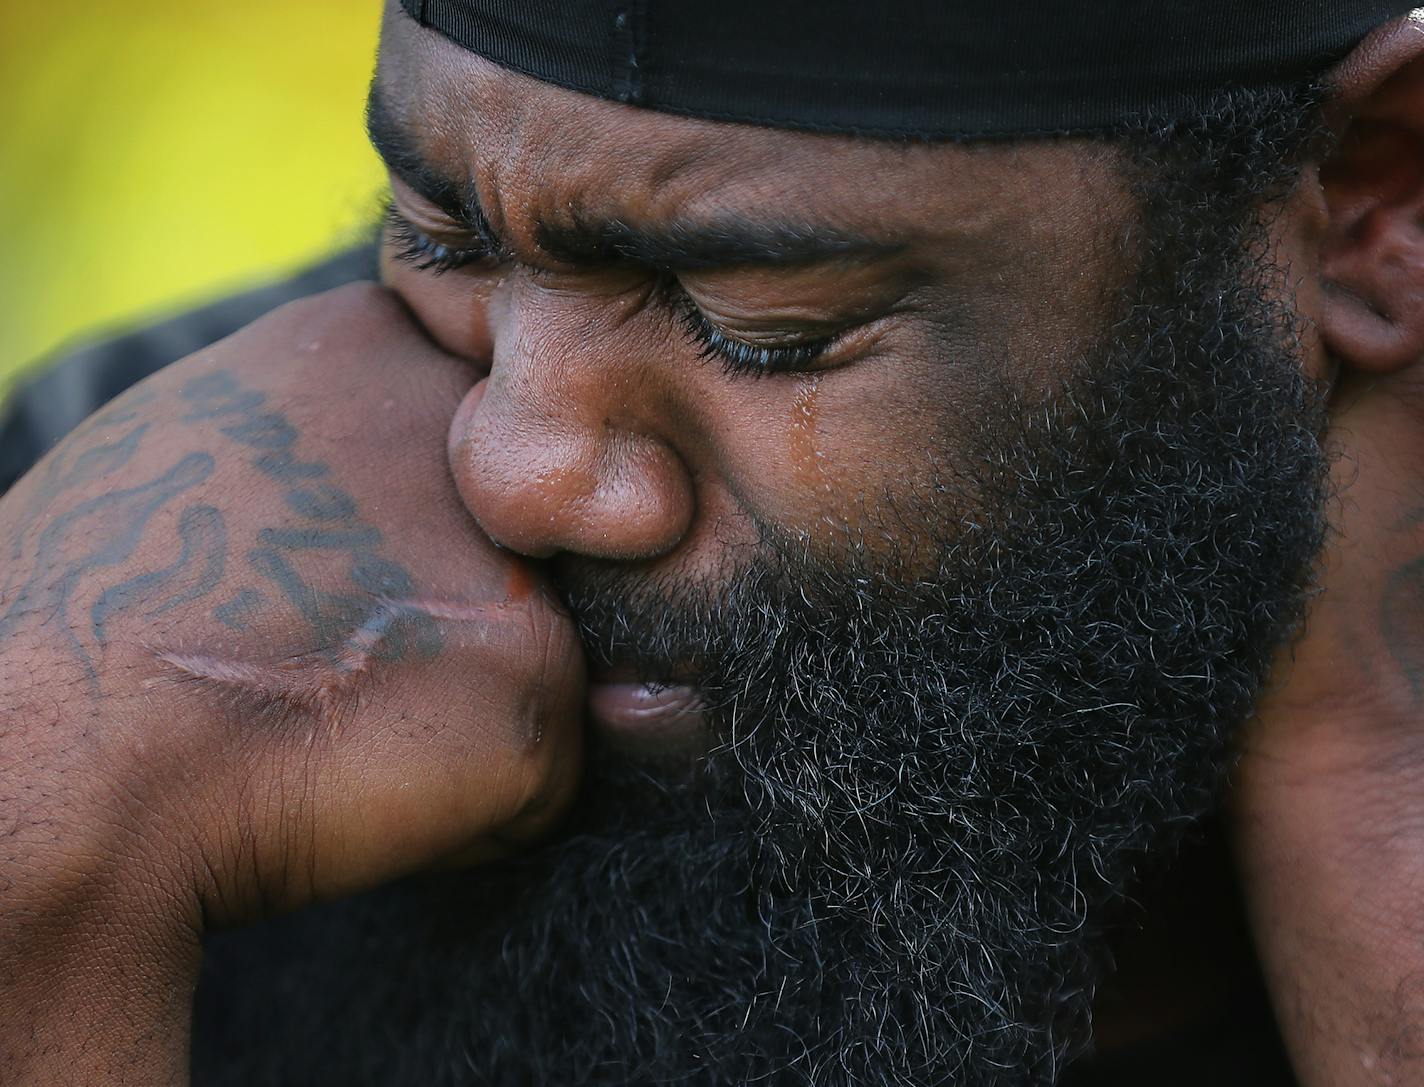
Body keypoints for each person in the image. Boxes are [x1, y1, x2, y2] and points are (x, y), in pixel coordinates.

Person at [2, 2, 1423, 1083]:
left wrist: (1369, 790)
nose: (517, 469)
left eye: (762, 327)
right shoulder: (75, 555)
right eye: (440, 236)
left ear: (1373, 198)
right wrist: (57, 844)